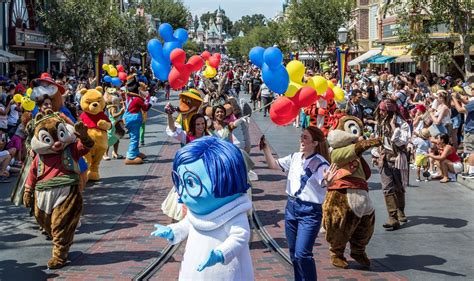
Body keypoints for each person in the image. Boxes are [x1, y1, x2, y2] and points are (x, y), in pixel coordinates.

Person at [260, 126, 332, 281]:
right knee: (293, 253)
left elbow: (325, 180)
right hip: (291, 207)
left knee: (302, 254)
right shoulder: (295, 157)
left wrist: (327, 179)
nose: (301, 140)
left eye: (305, 138)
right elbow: (274, 165)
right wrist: (265, 149)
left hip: (310, 211)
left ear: (315, 143)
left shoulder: (320, 163)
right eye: (301, 136)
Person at [373, 99, 411, 230]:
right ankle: (392, 217)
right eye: (380, 110)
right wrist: (375, 153)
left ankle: (400, 210)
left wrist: (395, 129)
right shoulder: (380, 123)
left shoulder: (402, 125)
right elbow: (377, 139)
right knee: (387, 187)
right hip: (384, 158)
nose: (380, 112)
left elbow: (401, 142)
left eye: (383, 110)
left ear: (389, 111)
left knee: (399, 187)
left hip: (397, 159)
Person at [451, 92, 474, 178]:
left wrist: (454, 98)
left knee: (472, 151)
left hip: (471, 130)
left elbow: (460, 110)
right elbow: (468, 104)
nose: (471, 91)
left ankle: (472, 172)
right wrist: (459, 98)